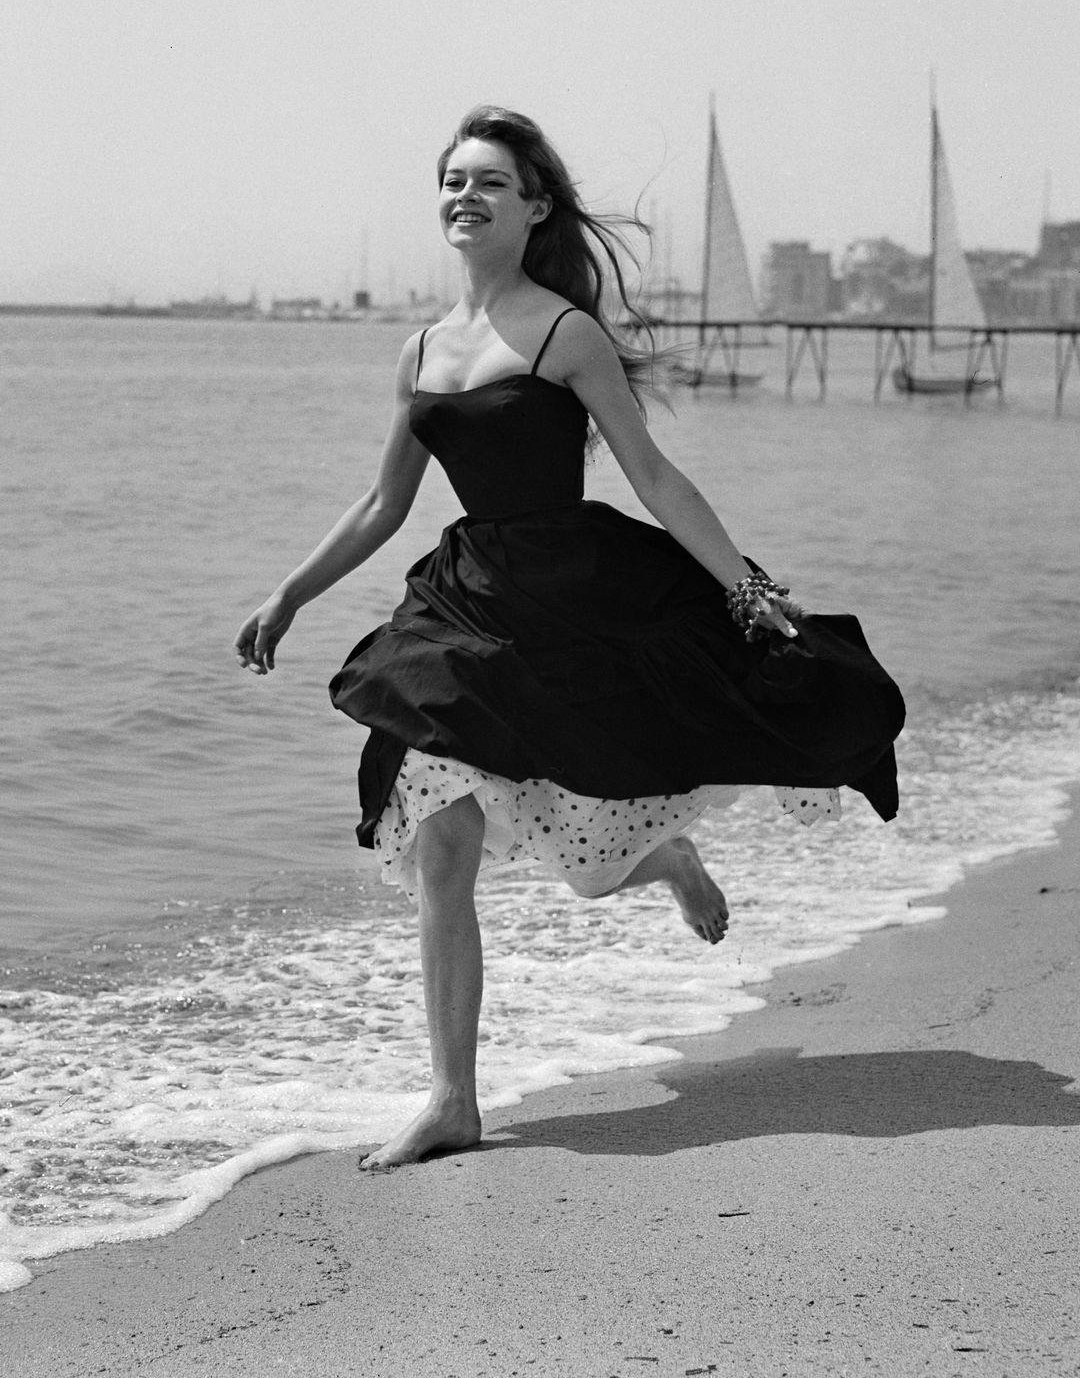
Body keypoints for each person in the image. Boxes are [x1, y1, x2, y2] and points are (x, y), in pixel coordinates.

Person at [234, 105, 904, 1171]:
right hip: (464, 605)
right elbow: (382, 504)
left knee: (585, 851)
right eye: (455, 179)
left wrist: (746, 589)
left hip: (572, 595)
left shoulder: (564, 333)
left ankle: (666, 857)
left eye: (491, 182)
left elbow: (655, 478)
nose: (467, 195)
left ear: (535, 208)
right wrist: (290, 593)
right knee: (440, 836)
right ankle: (453, 1099)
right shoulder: (419, 350)